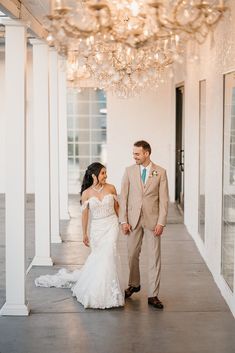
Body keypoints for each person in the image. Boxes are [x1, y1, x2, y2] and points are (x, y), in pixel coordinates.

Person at [35, 162, 124, 309]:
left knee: (109, 254)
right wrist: (84, 233)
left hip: (111, 225)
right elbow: (85, 216)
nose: (106, 176)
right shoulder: (86, 193)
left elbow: (117, 208)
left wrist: (123, 223)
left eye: (106, 172)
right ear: (94, 175)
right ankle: (96, 290)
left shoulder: (111, 188)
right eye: (103, 173)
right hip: (96, 229)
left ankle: (111, 292)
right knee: (99, 258)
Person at [119, 140, 169, 309]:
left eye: (137, 154)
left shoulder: (160, 172)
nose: (134, 157)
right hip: (133, 220)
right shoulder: (129, 171)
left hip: (153, 220)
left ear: (146, 153)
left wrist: (161, 222)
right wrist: (123, 220)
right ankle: (134, 284)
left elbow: (164, 200)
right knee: (132, 254)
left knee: (154, 257)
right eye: (133, 154)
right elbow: (123, 197)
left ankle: (153, 295)